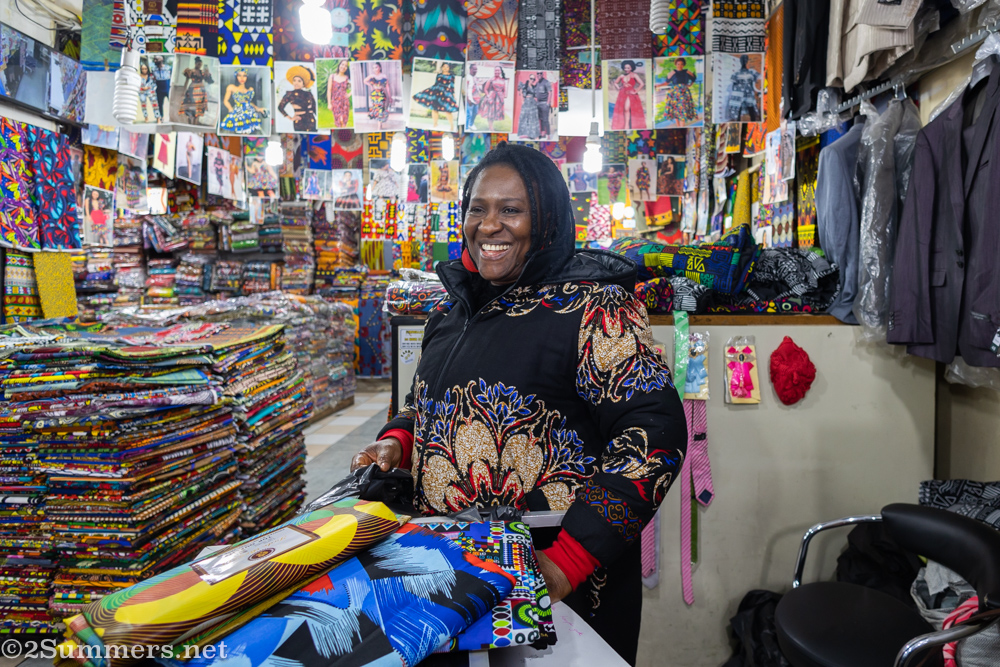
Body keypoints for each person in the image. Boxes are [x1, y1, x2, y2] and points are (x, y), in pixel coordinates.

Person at [350, 142, 686, 665]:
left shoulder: (596, 309)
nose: (489, 225)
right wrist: (397, 442)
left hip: (557, 585)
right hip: (452, 577)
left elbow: (654, 438)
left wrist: (567, 562)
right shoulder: (452, 312)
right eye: (477, 209)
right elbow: (421, 404)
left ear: (547, 219)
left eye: (511, 209)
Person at [220, 68, 266, 135]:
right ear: (236, 76)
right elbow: (225, 101)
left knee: (247, 131)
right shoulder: (232, 87)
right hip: (238, 112)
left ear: (246, 77)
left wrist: (258, 108)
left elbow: (249, 102)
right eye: (239, 75)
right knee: (240, 130)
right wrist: (230, 108)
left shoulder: (250, 89)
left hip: (249, 113)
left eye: (244, 75)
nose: (242, 78)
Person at [412, 62, 458, 129]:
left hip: (445, 93)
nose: (445, 68)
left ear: (449, 68)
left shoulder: (451, 76)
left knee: (448, 110)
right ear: (442, 67)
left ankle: (452, 126)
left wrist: (453, 95)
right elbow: (435, 84)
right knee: (434, 108)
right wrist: (429, 91)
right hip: (436, 92)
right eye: (444, 66)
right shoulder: (438, 75)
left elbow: (452, 86)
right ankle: (435, 124)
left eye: (447, 67)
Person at [277, 65, 317, 132]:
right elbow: (280, 107)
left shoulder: (309, 94)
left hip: (311, 121)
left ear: (303, 83)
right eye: (294, 80)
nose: (296, 83)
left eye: (299, 81)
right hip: (299, 122)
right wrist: (290, 118)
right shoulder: (290, 94)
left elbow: (315, 108)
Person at [611, 60, 646, 131]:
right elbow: (615, 82)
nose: (626, 69)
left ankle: (627, 125)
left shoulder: (634, 75)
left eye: (628, 68)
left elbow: (642, 84)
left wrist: (635, 91)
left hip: (631, 94)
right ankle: (625, 126)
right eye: (625, 68)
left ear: (631, 68)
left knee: (627, 109)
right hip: (622, 93)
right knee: (623, 109)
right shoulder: (622, 76)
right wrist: (619, 88)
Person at [662, 58, 698, 126]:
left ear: (684, 65)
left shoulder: (687, 71)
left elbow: (694, 78)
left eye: (681, 64)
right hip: (675, 93)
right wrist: (658, 85)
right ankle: (678, 126)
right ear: (675, 64)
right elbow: (666, 82)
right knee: (676, 108)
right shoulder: (672, 72)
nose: (680, 65)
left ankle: (682, 126)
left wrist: (690, 85)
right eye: (678, 64)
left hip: (684, 92)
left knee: (683, 108)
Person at [179, 56, 214, 126]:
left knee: (198, 108)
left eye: (200, 64)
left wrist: (208, 73)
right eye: (198, 64)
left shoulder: (203, 72)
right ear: (195, 63)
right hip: (192, 91)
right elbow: (186, 81)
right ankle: (189, 123)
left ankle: (195, 124)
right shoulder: (190, 71)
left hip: (201, 92)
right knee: (190, 107)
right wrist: (183, 91)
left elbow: (209, 81)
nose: (199, 65)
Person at [727, 54, 761, 122]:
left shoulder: (751, 71)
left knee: (751, 109)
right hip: (739, 93)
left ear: (747, 61)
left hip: (749, 93)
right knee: (738, 110)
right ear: (740, 61)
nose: (743, 61)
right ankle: (739, 122)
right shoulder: (736, 73)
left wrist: (758, 89)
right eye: (742, 60)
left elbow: (760, 79)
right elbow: (733, 85)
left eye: (745, 60)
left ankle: (753, 122)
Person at [478, 66, 508, 132]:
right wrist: (488, 96)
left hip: (499, 99)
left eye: (498, 70)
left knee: (494, 114)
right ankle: (490, 127)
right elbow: (485, 89)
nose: (497, 72)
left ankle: (491, 126)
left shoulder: (503, 80)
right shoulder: (491, 80)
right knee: (490, 113)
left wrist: (502, 97)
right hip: (491, 97)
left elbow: (504, 90)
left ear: (500, 71)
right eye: (495, 70)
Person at [365, 63, 392, 131]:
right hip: (374, 94)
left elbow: (387, 87)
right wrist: (371, 86)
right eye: (373, 68)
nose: (375, 69)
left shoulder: (384, 76)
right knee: (376, 109)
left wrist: (390, 97)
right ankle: (380, 125)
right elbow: (364, 81)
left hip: (381, 94)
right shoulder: (372, 76)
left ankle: (379, 126)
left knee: (380, 109)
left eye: (376, 67)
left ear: (380, 67)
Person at [326, 59, 351, 128]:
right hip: (335, 101)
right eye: (342, 64)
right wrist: (329, 103)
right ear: (339, 65)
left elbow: (354, 86)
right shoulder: (332, 76)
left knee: (344, 121)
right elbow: (329, 90)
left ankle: (343, 131)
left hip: (344, 102)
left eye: (346, 66)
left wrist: (349, 94)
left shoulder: (347, 78)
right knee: (339, 120)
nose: (343, 67)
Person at [516, 73, 541, 139]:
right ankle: (525, 134)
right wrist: (522, 101)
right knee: (524, 118)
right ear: (529, 78)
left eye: (534, 79)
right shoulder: (525, 86)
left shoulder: (534, 87)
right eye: (531, 78)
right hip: (526, 102)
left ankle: (535, 135)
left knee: (533, 118)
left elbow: (536, 95)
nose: (532, 80)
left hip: (533, 103)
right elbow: (521, 92)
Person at [534, 71, 553, 138]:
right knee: (541, 119)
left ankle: (548, 135)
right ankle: (543, 133)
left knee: (545, 120)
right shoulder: (537, 83)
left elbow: (550, 92)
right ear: (536, 74)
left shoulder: (546, 82)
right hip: (538, 103)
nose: (539, 74)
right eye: (538, 73)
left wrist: (548, 103)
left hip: (544, 103)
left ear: (543, 74)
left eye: (540, 73)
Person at [465, 63, 481, 130]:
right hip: (470, 99)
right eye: (474, 69)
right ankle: (466, 127)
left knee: (475, 113)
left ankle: (471, 124)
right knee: (469, 114)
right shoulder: (467, 77)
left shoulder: (476, 78)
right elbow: (466, 89)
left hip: (476, 99)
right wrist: (468, 99)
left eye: (476, 69)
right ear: (470, 69)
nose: (475, 71)